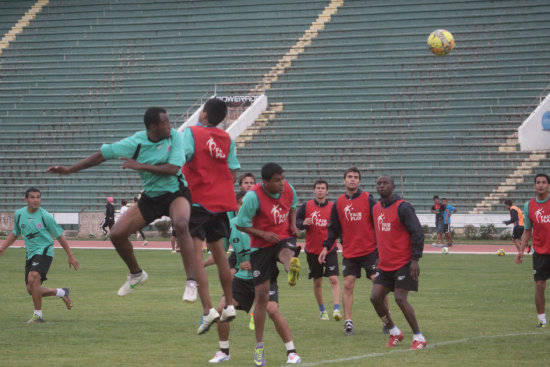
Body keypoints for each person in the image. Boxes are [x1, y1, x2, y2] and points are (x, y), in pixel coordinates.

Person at [46, 107, 197, 299]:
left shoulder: (175, 136)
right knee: (116, 234)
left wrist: (140, 166)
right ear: (152, 126)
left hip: (176, 192)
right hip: (151, 197)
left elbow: (173, 168)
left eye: (169, 121)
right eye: (165, 122)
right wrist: (69, 170)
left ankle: (191, 282)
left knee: (182, 224)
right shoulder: (135, 143)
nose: (170, 125)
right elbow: (101, 155)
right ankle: (136, 274)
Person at [209, 191, 299, 364]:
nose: (244, 208)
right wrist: (201, 263)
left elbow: (276, 251)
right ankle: (224, 351)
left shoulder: (264, 225)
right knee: (221, 310)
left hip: (265, 276)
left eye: (247, 205)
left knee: (272, 310)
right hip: (242, 279)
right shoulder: (231, 225)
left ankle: (292, 352)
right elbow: (220, 252)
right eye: (241, 204)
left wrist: (254, 262)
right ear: (236, 207)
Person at [182, 98, 240, 334]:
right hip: (219, 205)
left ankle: (208, 311)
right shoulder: (227, 139)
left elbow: (181, 159)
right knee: (220, 257)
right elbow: (233, 172)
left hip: (197, 202)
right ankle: (228, 304)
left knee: (196, 256)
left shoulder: (191, 133)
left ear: (204, 114)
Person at [235, 162, 301, 366]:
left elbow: (293, 206)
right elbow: (240, 223)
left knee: (286, 252)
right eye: (277, 181)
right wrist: (262, 233)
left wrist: (292, 224)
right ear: (265, 182)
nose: (282, 183)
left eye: (283, 178)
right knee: (261, 297)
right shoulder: (252, 197)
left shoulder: (288, 188)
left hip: (282, 236)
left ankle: (291, 267)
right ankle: (259, 347)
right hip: (260, 246)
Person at [319, 167, 387, 336]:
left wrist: (381, 248)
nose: (352, 179)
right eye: (349, 177)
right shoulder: (339, 203)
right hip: (349, 252)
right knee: (348, 284)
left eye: (356, 177)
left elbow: (379, 223)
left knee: (379, 286)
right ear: (344, 180)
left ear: (359, 181)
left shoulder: (368, 199)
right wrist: (326, 247)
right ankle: (348, 322)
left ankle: (387, 319)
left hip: (370, 250)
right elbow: (333, 228)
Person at [0, 187, 80, 323]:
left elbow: (60, 236)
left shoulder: (45, 216)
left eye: (38, 197)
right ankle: (61, 292)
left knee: (33, 277)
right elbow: (15, 233)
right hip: (30, 253)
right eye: (32, 197)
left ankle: (38, 315)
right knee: (31, 289)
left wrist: (70, 255)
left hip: (45, 251)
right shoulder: (19, 214)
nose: (36, 200)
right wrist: (2, 248)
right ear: (26, 199)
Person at [370, 175, 427, 349]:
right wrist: (379, 253)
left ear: (393, 186)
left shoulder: (403, 207)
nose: (382, 186)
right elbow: (381, 234)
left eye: (385, 183)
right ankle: (394, 332)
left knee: (400, 298)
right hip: (386, 264)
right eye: (379, 183)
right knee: (375, 298)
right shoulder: (376, 208)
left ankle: (419, 338)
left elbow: (418, 233)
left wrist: (415, 259)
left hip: (404, 263)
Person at [296, 179, 341, 321]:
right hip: (312, 250)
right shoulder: (306, 206)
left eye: (323, 188)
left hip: (330, 249)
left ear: (327, 191)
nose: (320, 190)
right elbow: (297, 221)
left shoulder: (333, 207)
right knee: (317, 282)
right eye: (318, 188)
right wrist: (302, 223)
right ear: (314, 191)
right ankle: (322, 311)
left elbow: (338, 227)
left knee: (333, 279)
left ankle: (336, 309)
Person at [515, 173, 550, 328]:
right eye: (538, 182)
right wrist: (521, 250)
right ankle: (541, 320)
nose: (541, 185)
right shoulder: (529, 206)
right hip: (540, 252)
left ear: (548, 185)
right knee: (539, 286)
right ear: (534, 186)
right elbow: (527, 230)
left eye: (543, 182)